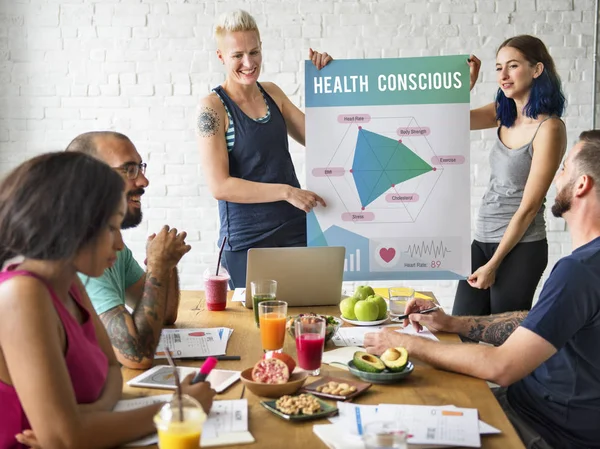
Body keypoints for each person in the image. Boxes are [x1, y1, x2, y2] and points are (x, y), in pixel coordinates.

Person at [365, 131, 600, 449]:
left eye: (564, 169)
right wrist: (452, 324)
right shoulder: (588, 265)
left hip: (539, 428)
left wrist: (401, 341)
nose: (557, 177)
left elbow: (500, 367)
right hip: (535, 409)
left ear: (582, 185)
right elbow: (534, 325)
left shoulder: (580, 271)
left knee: (389, 431)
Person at [0, 152, 214, 449]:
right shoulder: (21, 295)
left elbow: (111, 373)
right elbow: (65, 437)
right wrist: (179, 408)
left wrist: (82, 419)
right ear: (71, 225)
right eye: (112, 227)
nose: (120, 243)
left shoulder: (70, 282)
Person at [196, 9, 332, 288]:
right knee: (254, 327)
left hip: (295, 231)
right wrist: (286, 191)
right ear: (221, 56)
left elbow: (322, 141)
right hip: (248, 242)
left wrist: (328, 83)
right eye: (237, 55)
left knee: (306, 320)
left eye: (254, 52)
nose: (249, 62)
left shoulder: (272, 93)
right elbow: (219, 186)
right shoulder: (212, 108)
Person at [454, 35, 567, 316]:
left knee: (501, 340)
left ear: (536, 69)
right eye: (498, 67)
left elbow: (529, 208)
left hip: (521, 247)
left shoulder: (549, 128)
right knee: (458, 330)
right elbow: (451, 120)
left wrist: (494, 264)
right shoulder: (502, 113)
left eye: (513, 66)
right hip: (482, 238)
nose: (503, 75)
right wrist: (467, 84)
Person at [66, 131, 191, 369]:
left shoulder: (113, 246)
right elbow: (137, 356)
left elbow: (164, 314)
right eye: (129, 170)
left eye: (141, 168)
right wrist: (157, 266)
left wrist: (165, 265)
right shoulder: (83, 255)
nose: (144, 181)